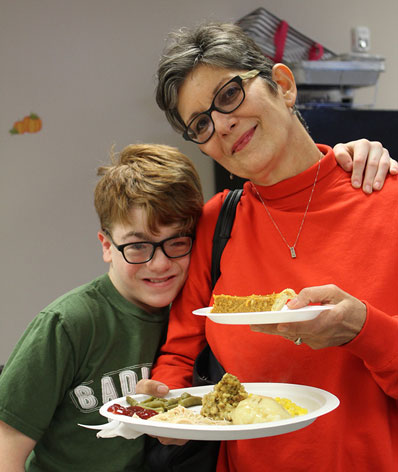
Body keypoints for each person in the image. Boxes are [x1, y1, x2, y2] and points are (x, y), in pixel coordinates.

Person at [136, 22, 398, 472]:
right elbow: (179, 352)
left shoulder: (387, 200)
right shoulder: (220, 221)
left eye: (229, 95)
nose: (221, 124)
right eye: (200, 123)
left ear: (283, 85)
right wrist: (165, 400)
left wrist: (362, 329)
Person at [0, 143, 203, 471]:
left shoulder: (198, 316)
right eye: (138, 246)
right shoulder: (67, 324)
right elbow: (6, 446)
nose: (160, 263)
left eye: (177, 241)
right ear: (107, 246)